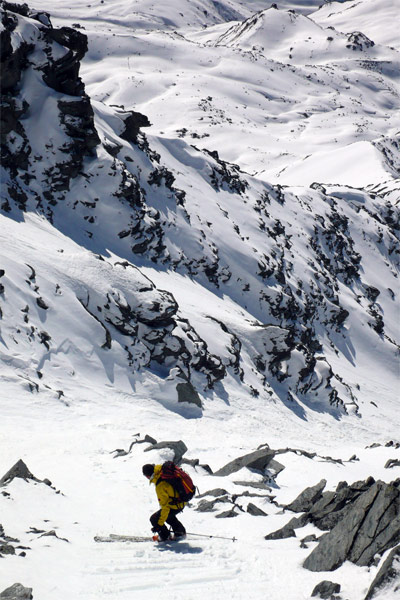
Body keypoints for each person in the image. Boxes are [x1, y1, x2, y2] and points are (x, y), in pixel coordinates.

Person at [142, 463, 186, 541]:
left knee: (154, 519)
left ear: (148, 476)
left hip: (176, 504)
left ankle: (164, 536)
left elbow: (165, 507)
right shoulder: (161, 471)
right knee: (168, 516)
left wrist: (159, 525)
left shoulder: (160, 485)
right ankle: (180, 532)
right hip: (181, 500)